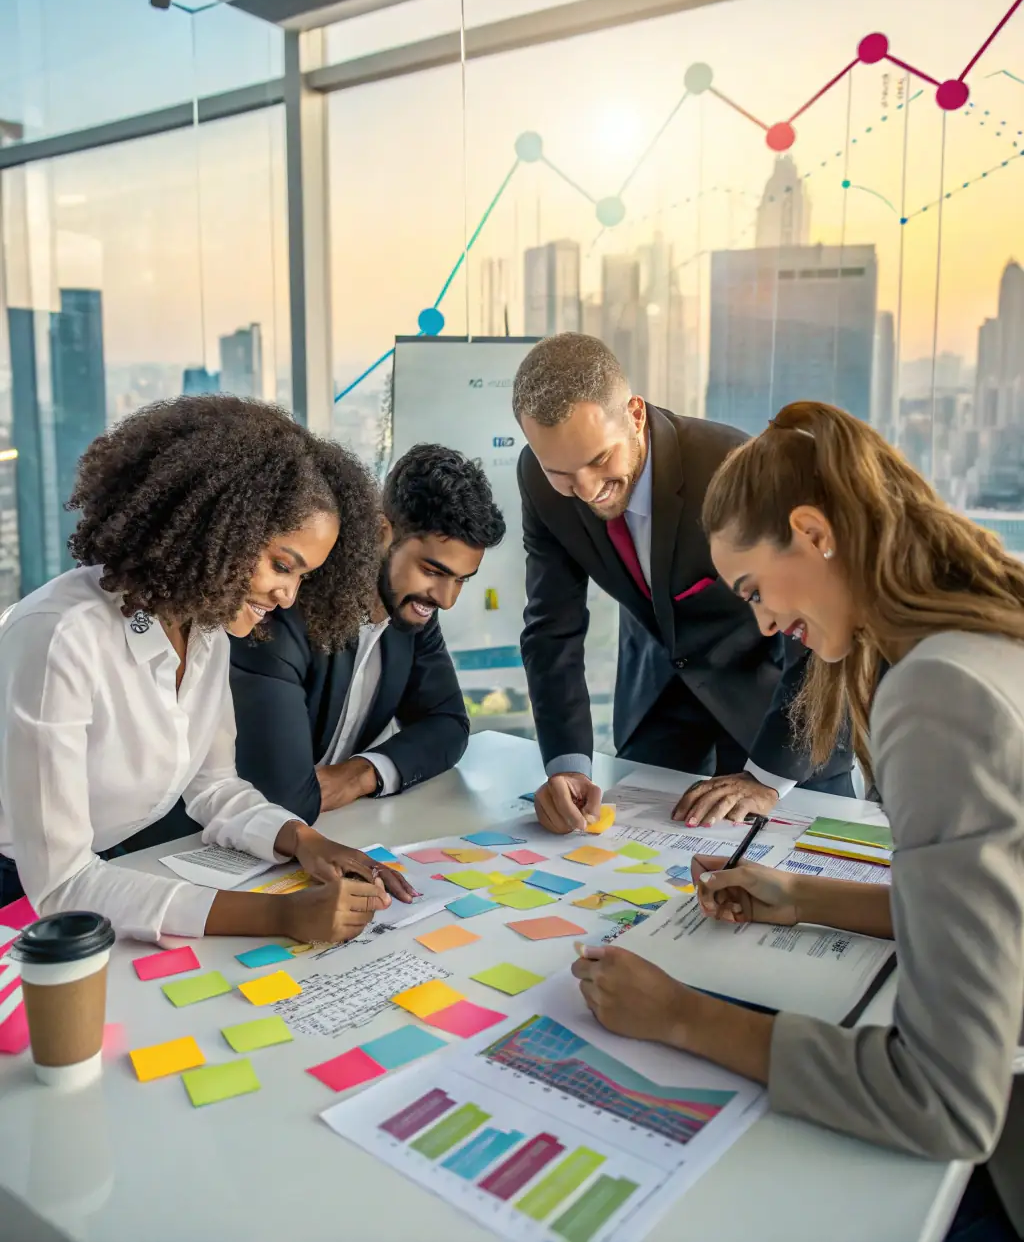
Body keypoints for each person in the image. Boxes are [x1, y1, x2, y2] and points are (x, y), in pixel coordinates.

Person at [571, 401, 1024, 1239]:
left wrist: (681, 1015)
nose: (765, 625)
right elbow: (1000, 918)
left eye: (753, 590)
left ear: (814, 532)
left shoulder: (939, 693)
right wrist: (807, 896)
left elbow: (945, 1099)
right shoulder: (981, 640)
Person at [0, 396, 417, 947]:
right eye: (281, 565)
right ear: (214, 527)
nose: (288, 596)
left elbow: (213, 786)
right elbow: (61, 883)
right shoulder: (63, 637)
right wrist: (282, 916)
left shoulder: (205, 628)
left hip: (97, 876)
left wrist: (304, 841)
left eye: (303, 577)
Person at [513, 334, 853, 836]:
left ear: (634, 413)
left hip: (780, 720)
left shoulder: (732, 466)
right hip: (659, 714)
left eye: (599, 460)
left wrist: (767, 778)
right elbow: (551, 627)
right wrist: (567, 763)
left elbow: (823, 621)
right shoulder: (540, 481)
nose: (584, 490)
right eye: (561, 471)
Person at [229, 444, 505, 820]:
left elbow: (449, 725)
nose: (446, 599)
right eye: (434, 571)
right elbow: (284, 796)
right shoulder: (284, 610)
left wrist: (362, 774)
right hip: (203, 845)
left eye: (462, 581)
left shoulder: (413, 611)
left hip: (329, 831)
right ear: (381, 533)